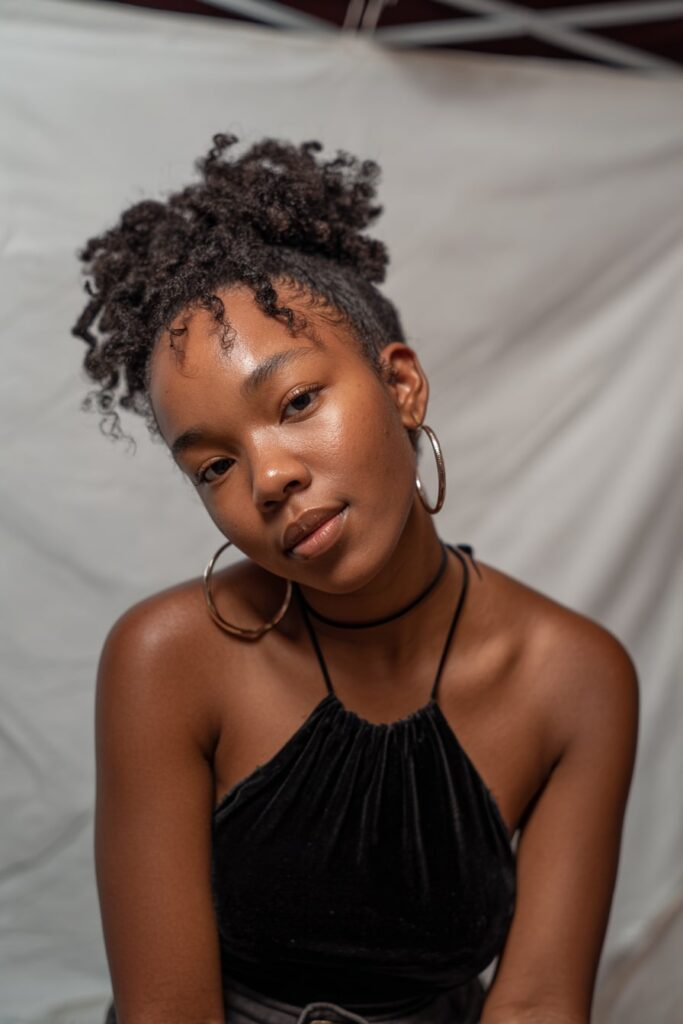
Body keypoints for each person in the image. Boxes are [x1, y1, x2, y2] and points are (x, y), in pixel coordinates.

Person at [73, 133, 639, 1024]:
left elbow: (535, 1003)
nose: (266, 480)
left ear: (401, 386)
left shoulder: (574, 677)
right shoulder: (168, 659)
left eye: (296, 403)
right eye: (214, 466)